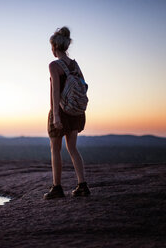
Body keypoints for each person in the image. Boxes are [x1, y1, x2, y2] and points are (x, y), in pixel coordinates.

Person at [44, 26, 91, 200]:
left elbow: (55, 91)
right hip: (76, 111)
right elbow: (84, 87)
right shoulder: (75, 65)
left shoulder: (54, 65)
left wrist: (55, 115)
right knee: (72, 148)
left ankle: (57, 188)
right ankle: (82, 185)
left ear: (55, 47)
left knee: (55, 149)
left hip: (62, 111)